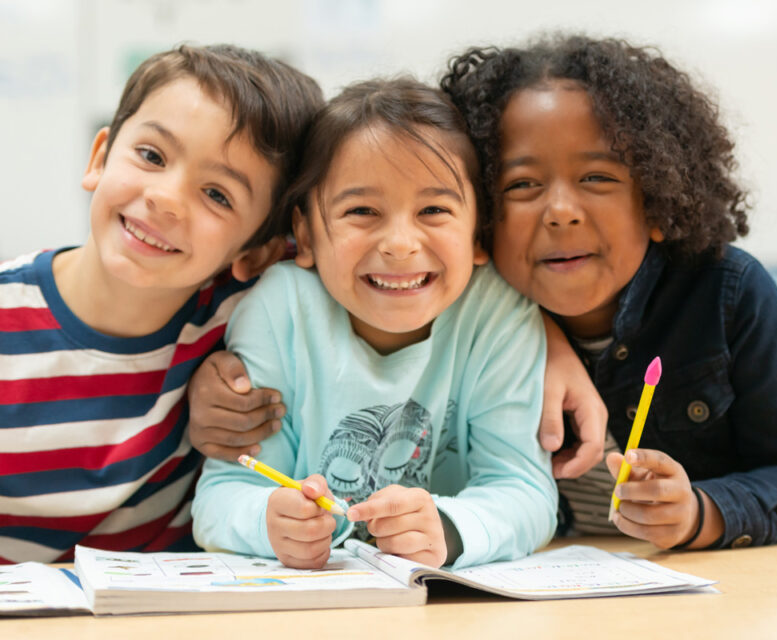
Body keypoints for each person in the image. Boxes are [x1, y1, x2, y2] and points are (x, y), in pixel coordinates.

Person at [440, 34, 777, 549]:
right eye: (521, 185)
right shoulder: (456, 309)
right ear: (479, 214)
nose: (560, 210)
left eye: (596, 177)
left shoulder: (729, 295)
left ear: (656, 201)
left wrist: (704, 512)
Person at [191, 78, 557, 569]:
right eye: (362, 211)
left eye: (434, 210)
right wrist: (268, 521)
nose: (401, 243)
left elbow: (524, 488)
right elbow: (223, 492)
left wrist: (448, 529)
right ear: (305, 232)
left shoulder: (496, 311)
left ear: (478, 233)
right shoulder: (280, 308)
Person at [0, 44, 322, 563]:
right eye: (151, 156)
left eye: (217, 195)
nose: (166, 198)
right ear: (99, 158)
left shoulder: (242, 307)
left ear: (255, 253)